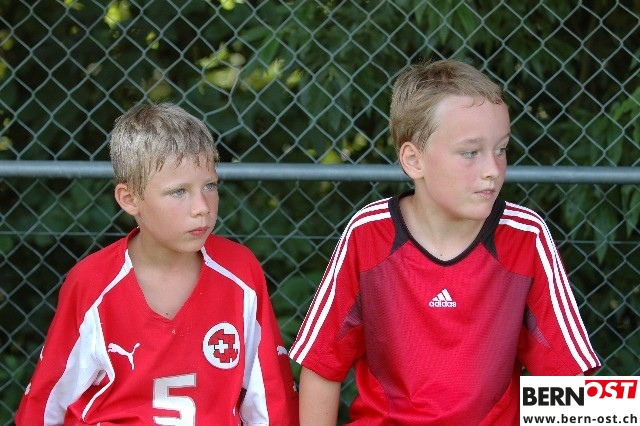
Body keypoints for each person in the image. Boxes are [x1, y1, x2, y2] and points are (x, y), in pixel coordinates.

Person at [289, 59, 601, 425]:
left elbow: (569, 379)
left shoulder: (525, 236)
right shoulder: (369, 234)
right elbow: (322, 365)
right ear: (413, 159)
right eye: (470, 153)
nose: (493, 169)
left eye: (501, 149)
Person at [15, 102, 299, 425]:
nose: (202, 207)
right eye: (178, 192)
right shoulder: (92, 282)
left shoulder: (239, 272)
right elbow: (46, 403)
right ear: (130, 199)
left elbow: (270, 402)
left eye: (209, 186)